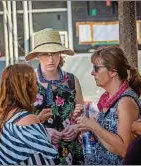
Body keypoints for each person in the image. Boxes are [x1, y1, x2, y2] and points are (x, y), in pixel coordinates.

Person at [75, 46, 141, 164]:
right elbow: (109, 141)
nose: (92, 73)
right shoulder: (110, 99)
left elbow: (126, 151)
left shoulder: (125, 101)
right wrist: (89, 127)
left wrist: (94, 127)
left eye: (96, 68)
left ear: (112, 71)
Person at [25, 28, 84, 165]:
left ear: (60, 54)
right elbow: (20, 119)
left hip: (71, 151)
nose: (51, 59)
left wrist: (76, 127)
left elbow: (82, 113)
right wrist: (43, 131)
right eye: (45, 54)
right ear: (37, 56)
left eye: (54, 54)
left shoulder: (71, 80)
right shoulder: (28, 81)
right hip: (38, 151)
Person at [0, 64, 58, 165]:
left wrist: (37, 120)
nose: (37, 88)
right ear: (26, 88)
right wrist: (34, 122)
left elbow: (16, 144)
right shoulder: (28, 120)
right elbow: (46, 158)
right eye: (34, 83)